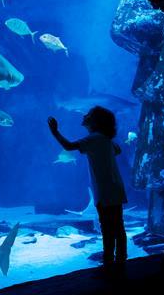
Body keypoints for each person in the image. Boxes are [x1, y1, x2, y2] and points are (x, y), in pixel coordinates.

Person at [48, 106, 128, 268]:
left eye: (89, 115)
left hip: (104, 190)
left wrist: (55, 131)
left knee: (106, 226)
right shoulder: (105, 140)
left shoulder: (93, 139)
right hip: (115, 188)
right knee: (118, 225)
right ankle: (121, 259)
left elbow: (69, 146)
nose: (85, 115)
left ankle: (108, 260)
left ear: (95, 122)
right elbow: (117, 150)